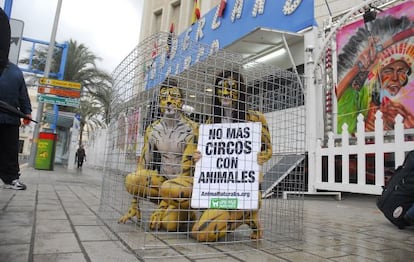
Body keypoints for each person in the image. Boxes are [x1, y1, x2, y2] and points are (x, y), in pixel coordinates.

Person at [191, 70, 272, 242]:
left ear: (240, 91)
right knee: (198, 230)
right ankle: (242, 216)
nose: (226, 92)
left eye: (231, 88)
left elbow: (269, 150)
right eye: (221, 88)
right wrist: (198, 157)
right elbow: (203, 154)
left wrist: (258, 159)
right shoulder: (209, 123)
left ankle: (246, 214)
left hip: (244, 188)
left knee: (202, 233)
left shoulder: (255, 119)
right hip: (218, 188)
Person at [118, 78, 199, 232]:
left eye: (173, 97)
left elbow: (186, 170)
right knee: (132, 179)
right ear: (159, 103)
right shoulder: (152, 129)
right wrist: (134, 204)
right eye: (164, 98)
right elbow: (143, 165)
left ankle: (186, 211)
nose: (168, 101)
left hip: (183, 188)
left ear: (181, 101)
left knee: (169, 225)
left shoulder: (193, 129)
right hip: (162, 184)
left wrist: (161, 208)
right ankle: (171, 208)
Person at [0, 8, 32, 190]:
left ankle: (10, 179)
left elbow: (23, 95)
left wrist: (27, 112)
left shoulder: (15, 71)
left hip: (11, 119)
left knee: (10, 151)